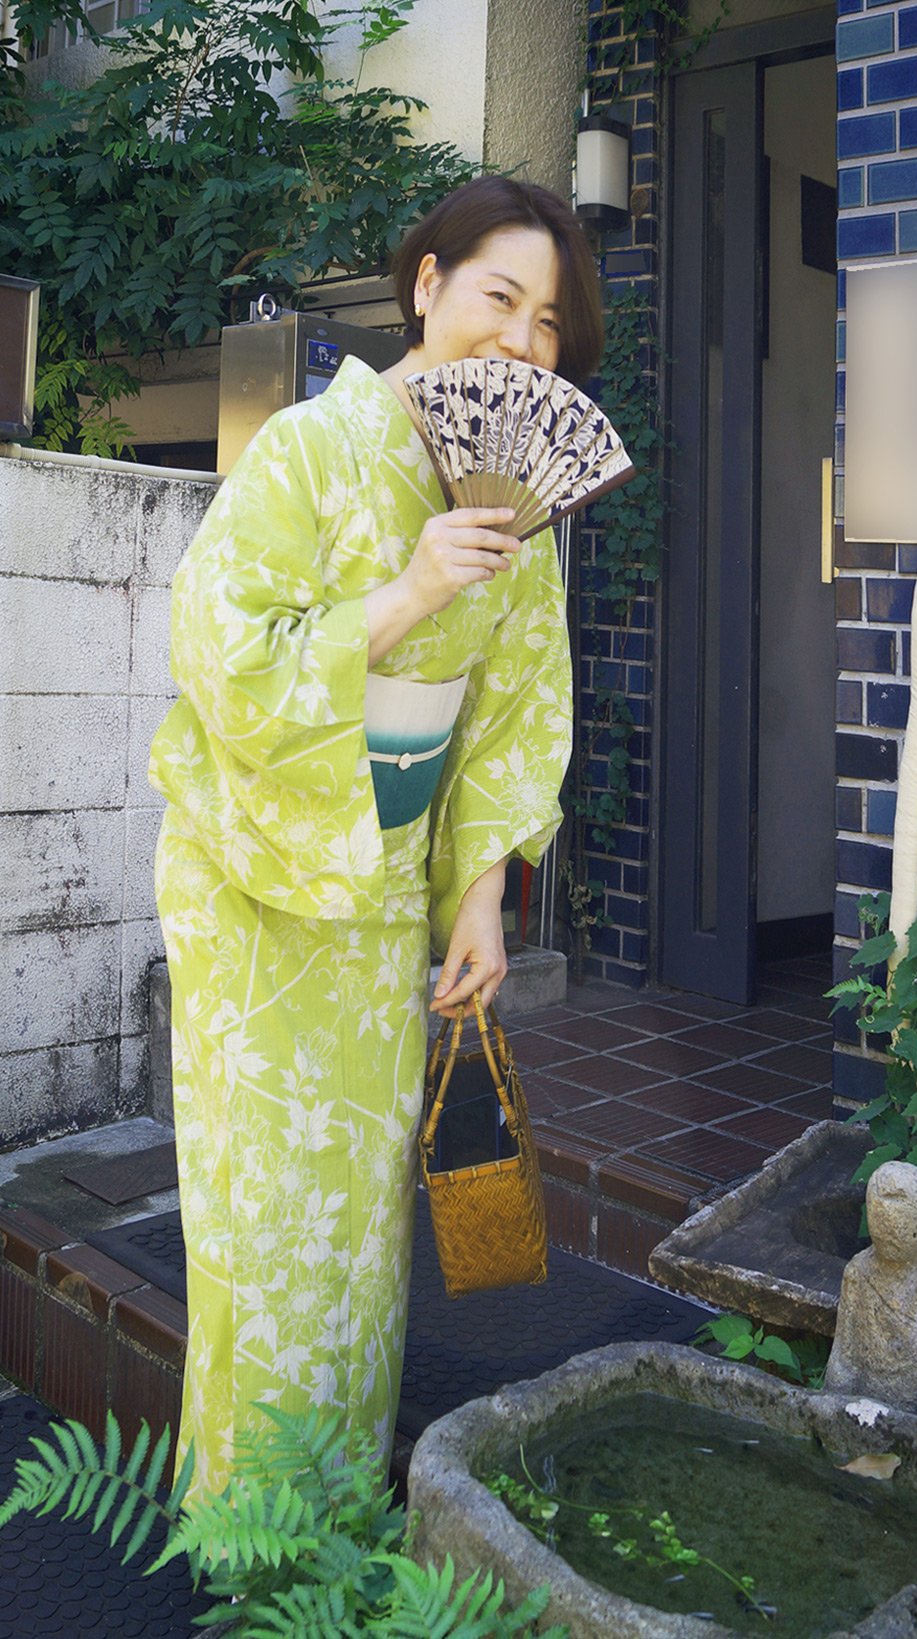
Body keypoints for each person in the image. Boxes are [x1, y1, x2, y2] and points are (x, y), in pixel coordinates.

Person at [150, 176, 605, 1499]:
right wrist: (404, 592)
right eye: (498, 298)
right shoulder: (307, 448)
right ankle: (244, 1549)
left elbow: (517, 715)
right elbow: (218, 650)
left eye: (549, 324)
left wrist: (476, 897)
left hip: (383, 893)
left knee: (355, 1235)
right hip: (257, 889)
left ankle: (333, 1527)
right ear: (428, 286)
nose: (520, 341)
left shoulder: (514, 501)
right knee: (259, 1233)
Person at [824, 1161, 917, 1442]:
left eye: (899, 1227)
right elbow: (844, 1356)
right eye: (879, 1224)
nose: (888, 1235)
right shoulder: (858, 1273)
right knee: (838, 1376)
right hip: (864, 1413)